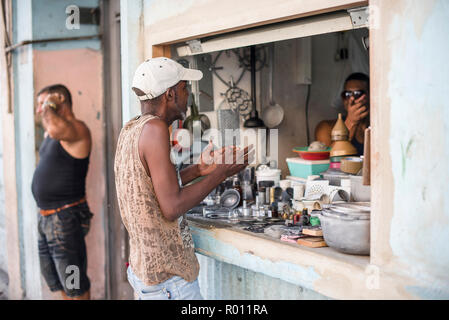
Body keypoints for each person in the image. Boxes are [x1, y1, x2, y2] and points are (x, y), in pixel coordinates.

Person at [114, 57, 253, 300]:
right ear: (169, 94)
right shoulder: (155, 129)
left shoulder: (132, 128)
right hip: (169, 283)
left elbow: (151, 187)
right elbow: (172, 207)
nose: (188, 95)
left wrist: (199, 169)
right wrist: (221, 171)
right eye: (184, 88)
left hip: (147, 273)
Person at [31, 84, 93, 300]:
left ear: (59, 102)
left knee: (74, 284)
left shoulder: (76, 129)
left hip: (65, 219)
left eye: (43, 104)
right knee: (57, 281)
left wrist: (50, 103)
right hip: (47, 219)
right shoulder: (53, 133)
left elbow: (56, 128)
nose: (40, 110)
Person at [315, 73, 370, 155]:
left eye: (358, 94)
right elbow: (328, 160)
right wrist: (351, 122)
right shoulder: (326, 128)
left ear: (370, 96)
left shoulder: (378, 129)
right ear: (343, 99)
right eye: (347, 94)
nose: (352, 98)